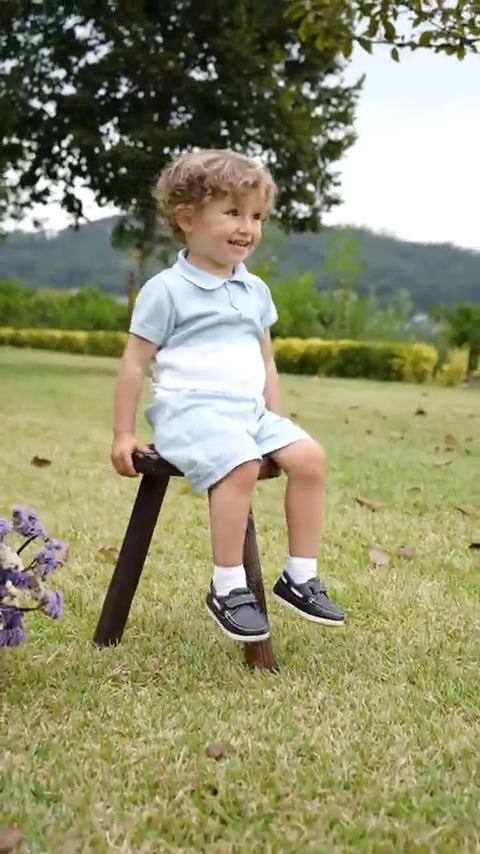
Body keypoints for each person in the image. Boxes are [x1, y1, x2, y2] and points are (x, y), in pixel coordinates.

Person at [110, 148, 345, 643]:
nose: (248, 227)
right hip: (189, 415)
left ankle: (299, 576)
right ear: (188, 218)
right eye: (234, 212)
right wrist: (124, 434)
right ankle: (228, 585)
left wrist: (276, 422)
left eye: (257, 216)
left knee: (310, 459)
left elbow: (266, 361)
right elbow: (134, 363)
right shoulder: (167, 289)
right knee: (238, 464)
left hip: (248, 413)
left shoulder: (254, 290)